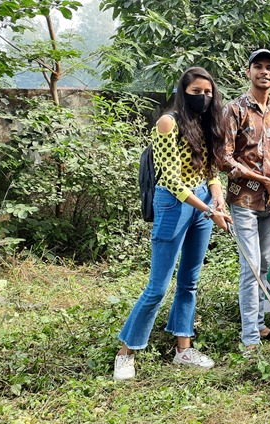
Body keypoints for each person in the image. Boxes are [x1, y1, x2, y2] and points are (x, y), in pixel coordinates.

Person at [113, 67, 232, 381]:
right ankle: (125, 353)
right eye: (196, 92)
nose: (203, 97)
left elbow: (211, 171)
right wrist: (210, 210)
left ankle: (183, 348)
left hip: (202, 202)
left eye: (208, 92)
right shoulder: (168, 122)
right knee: (157, 287)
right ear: (184, 92)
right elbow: (171, 179)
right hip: (174, 203)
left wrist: (218, 199)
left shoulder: (207, 124)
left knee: (189, 283)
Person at [223, 49, 270, 356]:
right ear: (248, 72)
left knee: (264, 265)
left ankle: (261, 324)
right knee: (250, 267)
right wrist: (261, 179)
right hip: (244, 199)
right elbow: (223, 157)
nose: (264, 72)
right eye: (259, 67)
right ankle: (250, 336)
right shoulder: (234, 110)